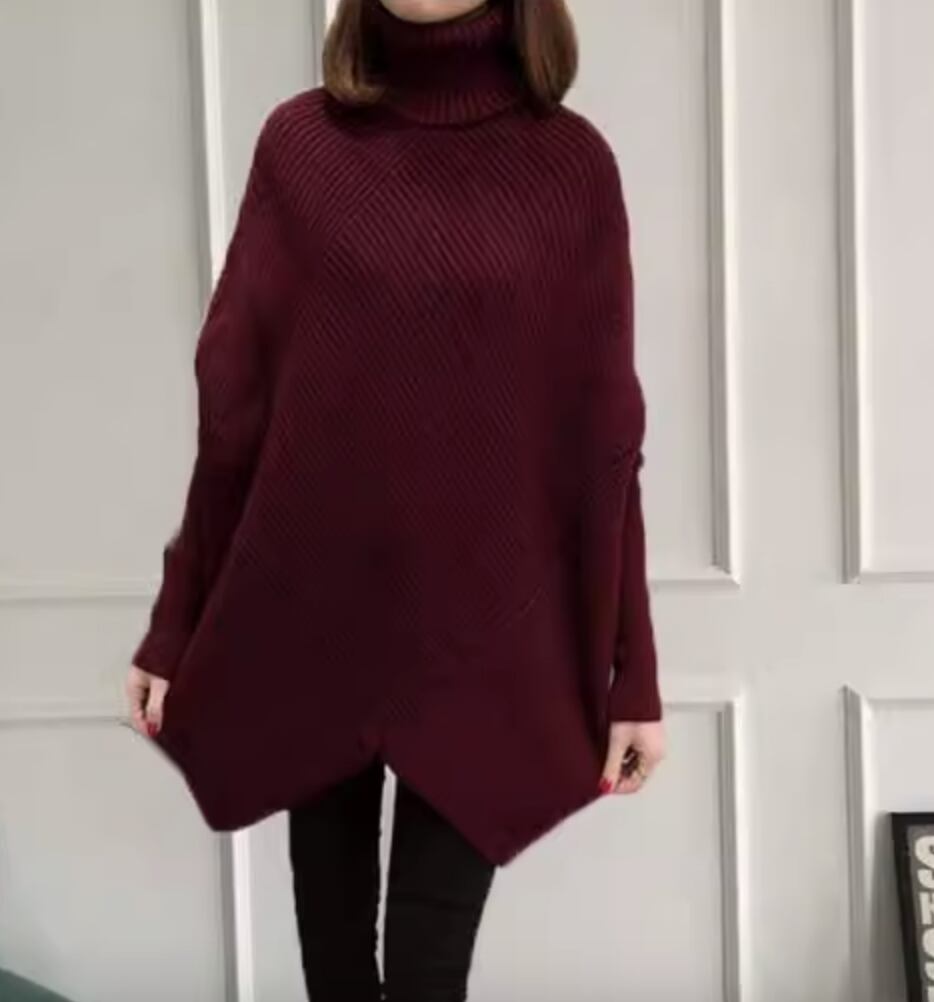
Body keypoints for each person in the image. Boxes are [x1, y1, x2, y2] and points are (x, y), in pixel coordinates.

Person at [125, 0, 666, 998]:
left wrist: (634, 675)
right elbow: (233, 410)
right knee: (334, 972)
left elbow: (604, 440)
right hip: (314, 614)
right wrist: (174, 623)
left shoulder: (570, 167)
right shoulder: (301, 149)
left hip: (485, 639)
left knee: (425, 971)